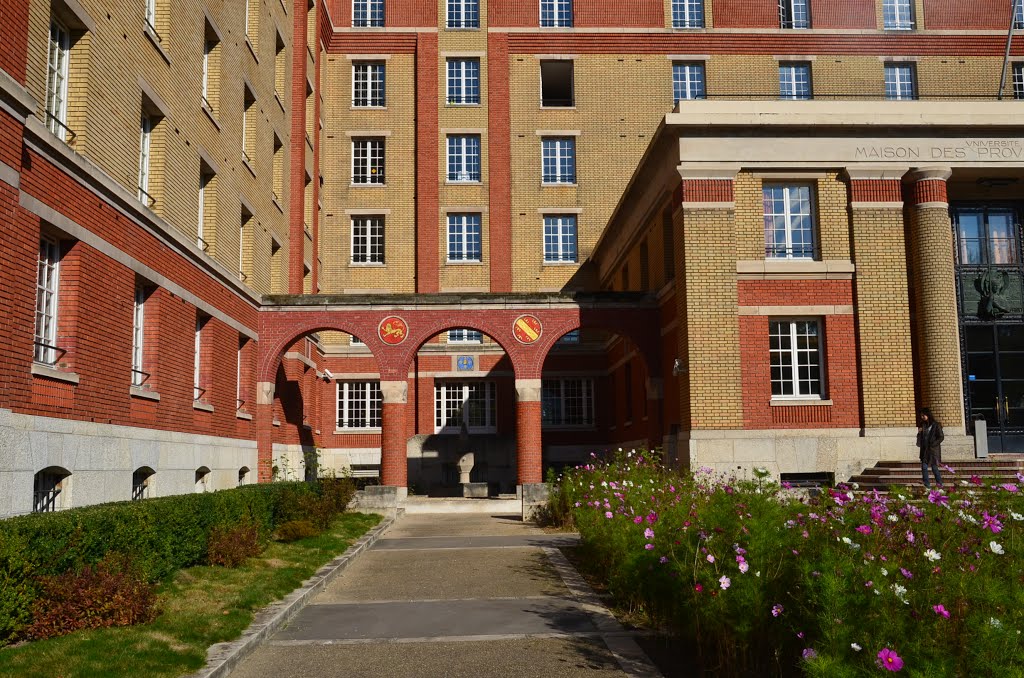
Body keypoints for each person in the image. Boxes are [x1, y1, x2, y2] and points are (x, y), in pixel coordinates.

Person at [916, 408, 944, 489]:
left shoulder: (936, 425)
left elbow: (941, 437)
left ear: (928, 415)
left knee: (934, 468)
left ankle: (940, 485)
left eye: (923, 415)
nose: (922, 417)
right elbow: (920, 438)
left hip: (933, 451)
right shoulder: (923, 425)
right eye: (921, 415)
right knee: (924, 467)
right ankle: (927, 485)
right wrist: (919, 433)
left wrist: (933, 444)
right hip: (925, 450)